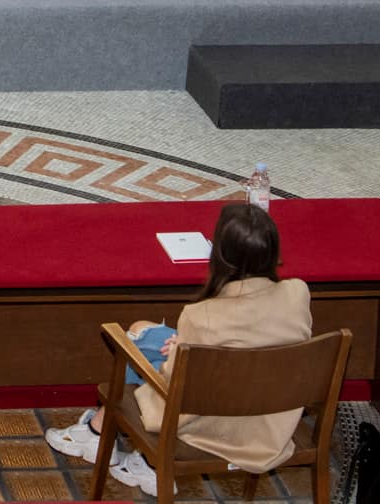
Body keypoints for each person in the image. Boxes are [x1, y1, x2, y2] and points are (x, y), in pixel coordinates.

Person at [44, 202, 313, 495]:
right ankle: (108, 438)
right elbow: (255, 340)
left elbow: (173, 385)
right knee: (147, 334)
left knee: (135, 346)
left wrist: (180, 350)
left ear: (221, 255)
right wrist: (184, 343)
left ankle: (139, 454)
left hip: (219, 427)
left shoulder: (202, 316)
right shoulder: (297, 292)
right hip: (271, 421)